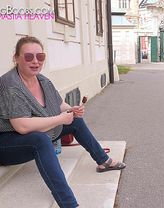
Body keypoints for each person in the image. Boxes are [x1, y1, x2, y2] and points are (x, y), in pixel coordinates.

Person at [0, 36, 126, 208]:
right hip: (7, 144)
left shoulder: (42, 80)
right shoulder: (10, 85)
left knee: (75, 121)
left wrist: (72, 109)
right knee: (40, 140)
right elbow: (21, 126)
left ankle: (103, 161)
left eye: (40, 56)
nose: (35, 61)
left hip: (31, 133)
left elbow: (59, 104)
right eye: (29, 57)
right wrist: (60, 119)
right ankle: (69, 204)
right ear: (16, 58)